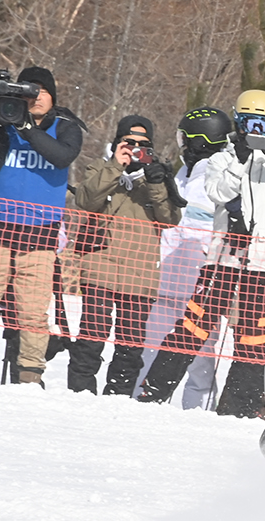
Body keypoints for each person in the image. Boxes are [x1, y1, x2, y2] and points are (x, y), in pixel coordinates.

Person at [137, 89, 265, 416]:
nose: (257, 131)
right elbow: (218, 192)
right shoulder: (222, 158)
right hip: (224, 256)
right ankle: (153, 392)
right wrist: (240, 159)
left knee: (254, 335)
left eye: (264, 124)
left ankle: (236, 408)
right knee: (196, 323)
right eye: (250, 123)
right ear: (239, 123)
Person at [0, 67, 84, 384]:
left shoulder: (65, 127)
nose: (35, 97)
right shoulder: (3, 124)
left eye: (42, 91)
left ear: (54, 96)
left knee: (33, 314)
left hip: (40, 240)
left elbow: (62, 157)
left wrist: (28, 130)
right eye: (28, 91)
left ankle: (29, 375)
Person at [67, 115, 181, 394]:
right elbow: (86, 200)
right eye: (128, 142)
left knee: (130, 345)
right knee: (91, 339)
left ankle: (118, 397)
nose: (135, 148)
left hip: (140, 274)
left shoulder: (157, 176)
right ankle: (80, 394)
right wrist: (116, 165)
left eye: (143, 145)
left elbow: (169, 219)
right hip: (100, 265)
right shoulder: (101, 167)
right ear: (117, 143)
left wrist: (156, 182)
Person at [135, 107, 233, 407]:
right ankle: (141, 403)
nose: (182, 144)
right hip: (167, 279)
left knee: (199, 357)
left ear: (201, 141)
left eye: (186, 138)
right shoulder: (184, 172)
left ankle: (196, 411)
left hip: (200, 281)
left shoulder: (220, 175)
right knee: (150, 349)